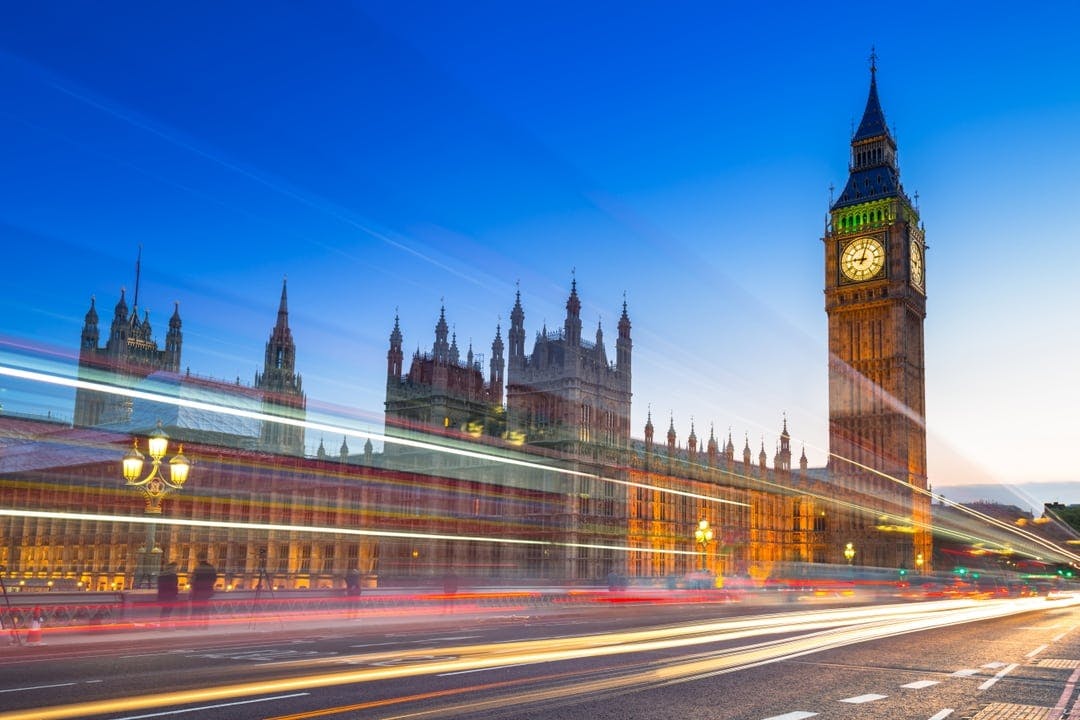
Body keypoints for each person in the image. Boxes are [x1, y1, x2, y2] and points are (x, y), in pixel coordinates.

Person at [190, 554, 217, 629]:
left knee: (196, 609)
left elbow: (193, 580)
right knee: (205, 609)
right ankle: (205, 625)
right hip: (207, 591)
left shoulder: (198, 568)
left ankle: (195, 625)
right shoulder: (211, 567)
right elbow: (214, 579)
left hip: (198, 591)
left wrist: (192, 587)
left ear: (198, 559)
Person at [157, 562, 179, 628]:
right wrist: (176, 594)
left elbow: (159, 586)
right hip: (170, 596)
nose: (177, 569)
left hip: (162, 595)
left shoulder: (161, 575)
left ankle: (162, 625)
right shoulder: (173, 575)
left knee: (164, 610)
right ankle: (164, 626)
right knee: (168, 611)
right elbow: (174, 586)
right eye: (176, 567)